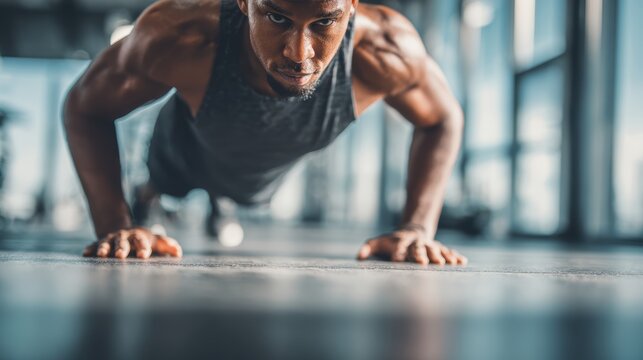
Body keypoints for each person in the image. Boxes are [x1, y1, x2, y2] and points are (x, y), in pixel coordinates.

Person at [63, 0, 467, 266]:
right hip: (187, 147)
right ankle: (148, 196)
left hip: (261, 172)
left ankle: (223, 201)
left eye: (325, 21)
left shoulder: (386, 50)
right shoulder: (180, 35)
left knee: (242, 193)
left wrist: (416, 228)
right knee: (164, 180)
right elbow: (84, 107)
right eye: (277, 17)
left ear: (352, 5)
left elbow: (443, 119)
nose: (299, 53)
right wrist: (114, 222)